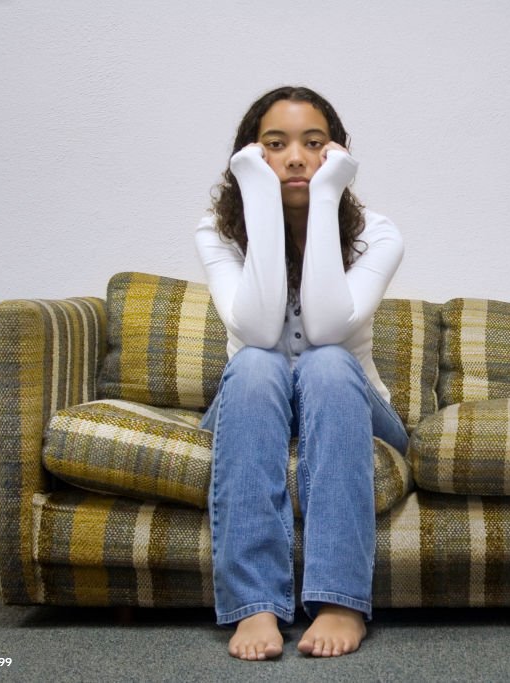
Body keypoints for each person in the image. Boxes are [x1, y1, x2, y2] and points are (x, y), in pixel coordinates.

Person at [194, 85, 407, 661]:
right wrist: (260, 202)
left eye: (312, 144)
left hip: (348, 396)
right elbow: (261, 332)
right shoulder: (215, 233)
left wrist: (327, 199)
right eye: (275, 144)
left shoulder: (377, 235)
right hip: (251, 398)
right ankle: (254, 604)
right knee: (259, 363)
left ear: (335, 154)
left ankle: (340, 600)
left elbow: (326, 328)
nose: (294, 157)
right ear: (249, 157)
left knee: (328, 362)